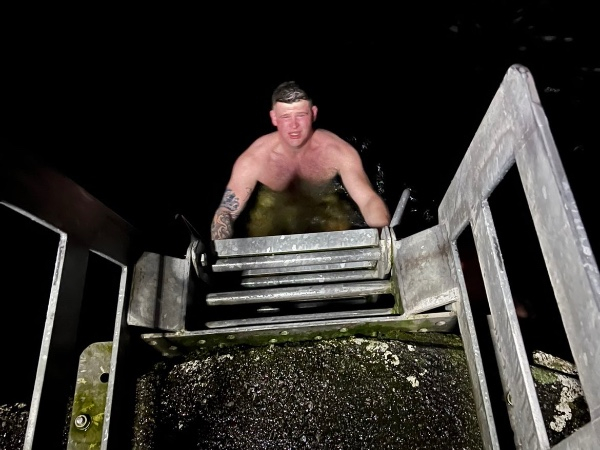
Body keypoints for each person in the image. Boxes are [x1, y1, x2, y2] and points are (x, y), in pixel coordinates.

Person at [210, 81, 391, 240]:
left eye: (301, 115)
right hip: (273, 207)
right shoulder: (254, 159)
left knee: (338, 221)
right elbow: (226, 210)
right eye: (285, 117)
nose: (294, 125)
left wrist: (383, 234)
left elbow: (368, 199)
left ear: (313, 113)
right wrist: (218, 244)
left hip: (324, 205)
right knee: (261, 227)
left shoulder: (337, 152)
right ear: (274, 118)